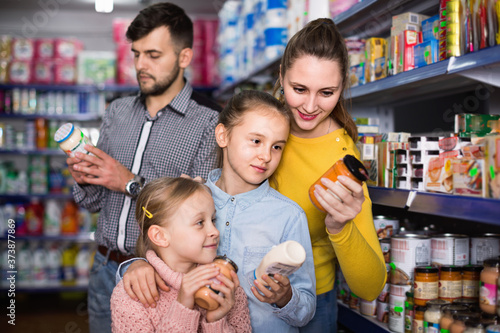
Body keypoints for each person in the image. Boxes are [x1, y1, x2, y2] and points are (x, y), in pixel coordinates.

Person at [65, 3, 221, 332]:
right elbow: (91, 202)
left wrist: (129, 183)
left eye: (153, 55)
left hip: (161, 280)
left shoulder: (209, 122)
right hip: (105, 266)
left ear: (184, 58)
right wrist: (84, 177)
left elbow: (202, 209)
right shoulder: (117, 112)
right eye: (136, 54)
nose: (140, 65)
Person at [121, 90, 316, 332]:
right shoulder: (192, 198)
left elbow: (306, 310)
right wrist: (138, 264)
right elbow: (160, 243)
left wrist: (285, 297)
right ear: (223, 135)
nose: (266, 156)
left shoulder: (289, 215)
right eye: (256, 141)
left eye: (276, 147)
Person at [271, 18, 387, 332]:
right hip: (241, 286)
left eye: (326, 92)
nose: (309, 106)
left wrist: (341, 227)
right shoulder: (259, 125)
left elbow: (370, 287)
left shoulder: (341, 160)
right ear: (281, 76)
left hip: (312, 300)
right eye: (299, 89)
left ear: (341, 88)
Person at [111, 177, 252, 332]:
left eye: (213, 220)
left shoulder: (228, 288)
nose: (215, 231)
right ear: (160, 236)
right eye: (200, 222)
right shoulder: (131, 297)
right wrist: (183, 308)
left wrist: (216, 322)